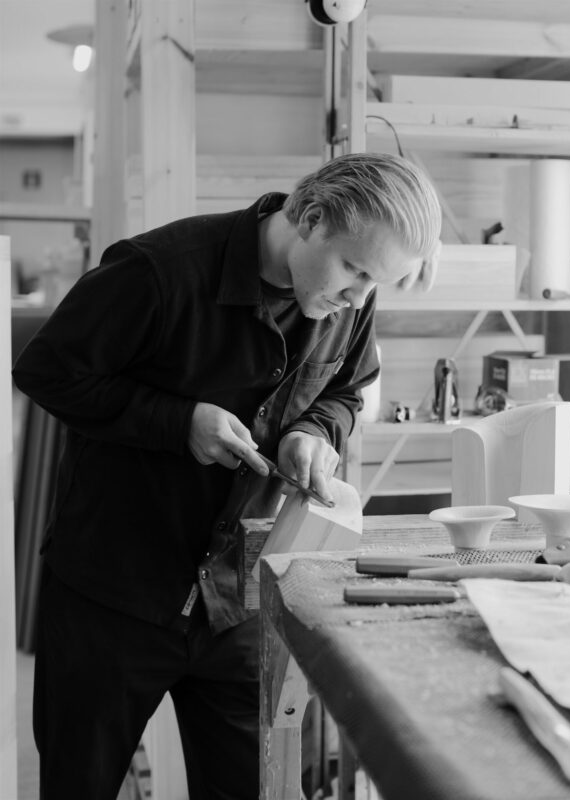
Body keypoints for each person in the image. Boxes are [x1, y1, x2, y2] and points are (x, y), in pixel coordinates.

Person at [12, 151, 442, 800]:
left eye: (373, 285)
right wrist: (176, 421)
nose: (357, 297)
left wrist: (313, 432)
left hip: (237, 600)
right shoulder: (157, 272)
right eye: (353, 270)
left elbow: (347, 392)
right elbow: (46, 371)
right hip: (114, 595)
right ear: (312, 216)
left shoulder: (349, 302)